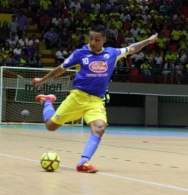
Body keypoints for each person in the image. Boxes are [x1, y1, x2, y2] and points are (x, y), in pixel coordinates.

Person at [32, 25, 157, 173]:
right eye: (91, 39)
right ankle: (47, 101)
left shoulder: (112, 53)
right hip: (77, 98)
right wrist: (41, 80)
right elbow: (60, 69)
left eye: (97, 39)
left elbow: (132, 48)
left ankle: (83, 162)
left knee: (99, 128)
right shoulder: (80, 53)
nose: (93, 42)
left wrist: (147, 41)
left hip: (96, 101)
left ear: (104, 40)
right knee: (50, 126)